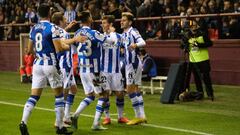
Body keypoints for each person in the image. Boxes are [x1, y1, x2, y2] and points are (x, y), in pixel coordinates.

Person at [18, 4, 81, 135]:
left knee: (34, 96)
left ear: (39, 14)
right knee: (59, 96)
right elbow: (59, 48)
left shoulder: (34, 28)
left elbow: (29, 50)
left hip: (37, 64)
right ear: (49, 13)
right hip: (50, 64)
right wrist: (68, 47)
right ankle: (60, 127)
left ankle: (23, 122)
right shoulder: (52, 28)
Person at [71, 11, 116, 130]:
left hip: (83, 70)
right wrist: (111, 33)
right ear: (89, 18)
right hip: (94, 70)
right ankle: (96, 123)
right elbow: (111, 41)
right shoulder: (94, 33)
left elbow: (74, 48)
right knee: (103, 94)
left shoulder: (77, 33)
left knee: (90, 96)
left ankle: (75, 115)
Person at [51, 12, 82, 127]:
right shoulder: (61, 32)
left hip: (65, 64)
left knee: (73, 90)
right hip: (65, 64)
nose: (66, 19)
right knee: (64, 92)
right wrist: (75, 39)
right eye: (64, 18)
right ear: (60, 21)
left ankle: (67, 116)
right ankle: (59, 120)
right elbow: (63, 42)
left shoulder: (58, 30)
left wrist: (68, 28)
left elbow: (62, 36)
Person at [100, 15, 129, 125]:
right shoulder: (100, 36)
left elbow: (127, 44)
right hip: (104, 70)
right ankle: (107, 117)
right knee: (105, 94)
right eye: (102, 23)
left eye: (104, 23)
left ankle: (120, 117)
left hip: (116, 70)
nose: (102, 25)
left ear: (111, 24)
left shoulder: (118, 36)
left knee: (120, 93)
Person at [120, 12, 147, 125]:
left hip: (133, 63)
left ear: (130, 22)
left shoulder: (133, 31)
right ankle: (142, 116)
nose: (121, 21)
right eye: (121, 19)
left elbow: (143, 42)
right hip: (129, 64)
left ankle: (137, 116)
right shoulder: (124, 34)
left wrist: (135, 45)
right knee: (136, 89)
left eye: (124, 20)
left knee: (130, 90)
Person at [183, 20, 214, 101]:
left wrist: (199, 45)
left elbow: (210, 43)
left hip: (203, 59)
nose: (192, 28)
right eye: (191, 27)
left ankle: (210, 93)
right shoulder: (187, 36)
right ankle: (200, 94)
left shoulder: (202, 34)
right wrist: (185, 46)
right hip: (193, 60)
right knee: (197, 79)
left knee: (206, 77)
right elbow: (182, 46)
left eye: (194, 26)